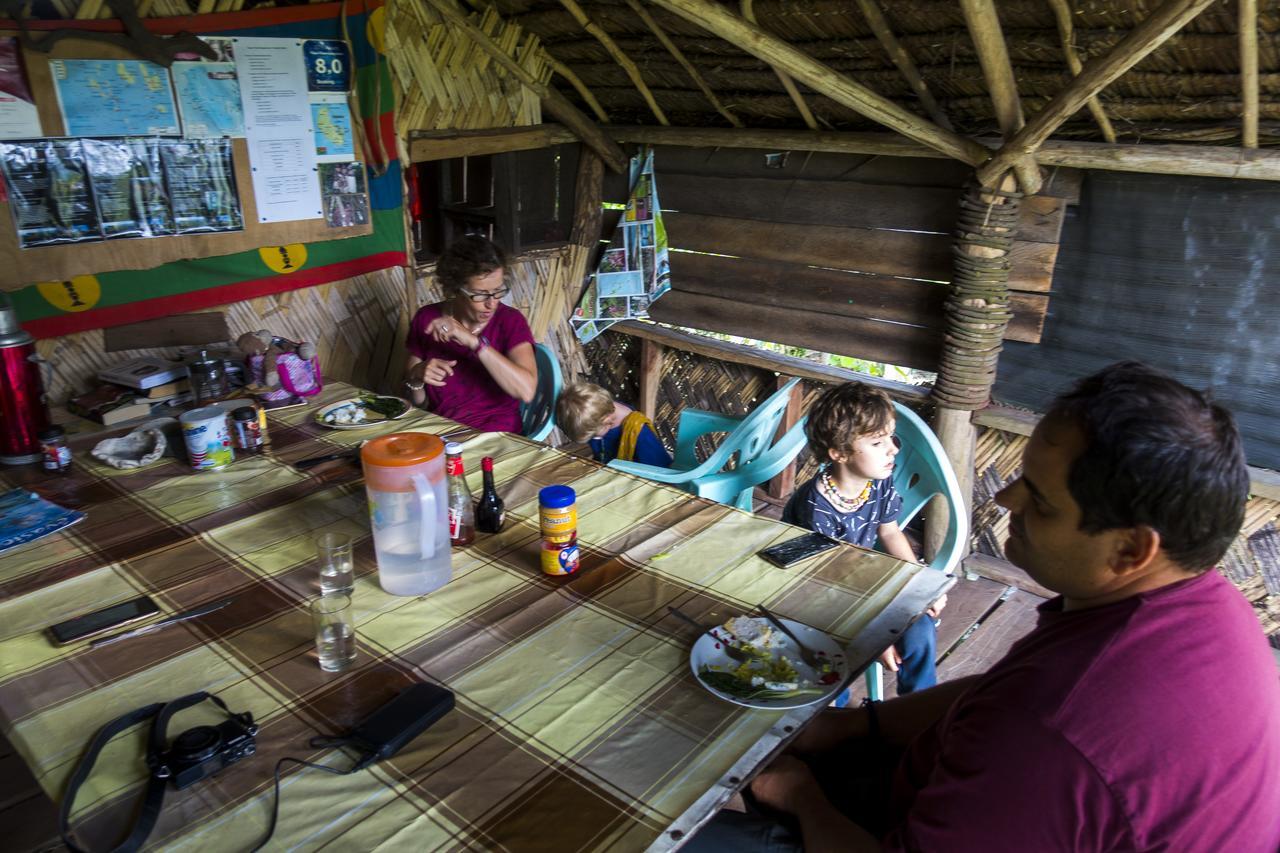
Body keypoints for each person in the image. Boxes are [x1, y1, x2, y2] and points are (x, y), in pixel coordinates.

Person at [690, 361, 1280, 852]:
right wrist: (851, 724)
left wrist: (798, 797)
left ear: (1130, 549)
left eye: (1041, 500)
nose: (1005, 497)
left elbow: (1035, 727)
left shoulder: (1054, 741)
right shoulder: (1208, 609)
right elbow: (995, 693)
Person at [782, 382, 944, 699]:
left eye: (890, 437)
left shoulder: (878, 483)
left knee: (921, 630)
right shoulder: (816, 507)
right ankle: (829, 720)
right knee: (829, 662)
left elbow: (890, 532)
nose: (893, 449)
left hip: (857, 580)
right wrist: (877, 639)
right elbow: (829, 580)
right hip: (813, 593)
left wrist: (921, 585)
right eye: (877, 442)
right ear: (839, 453)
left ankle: (919, 705)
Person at [404, 236, 537, 432]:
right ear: (456, 288)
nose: (491, 303)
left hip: (498, 435)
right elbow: (418, 404)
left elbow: (526, 391)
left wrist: (474, 342)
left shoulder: (510, 321)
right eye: (480, 294)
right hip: (443, 432)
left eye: (498, 291)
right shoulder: (427, 319)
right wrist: (416, 376)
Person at [555, 381, 672, 467]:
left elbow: (660, 469)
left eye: (593, 436)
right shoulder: (598, 411)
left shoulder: (640, 434)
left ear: (607, 422)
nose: (593, 440)